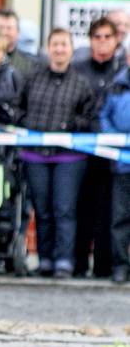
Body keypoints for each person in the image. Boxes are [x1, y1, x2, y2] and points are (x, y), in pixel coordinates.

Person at [15, 28, 94, 279]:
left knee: (65, 209)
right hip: (35, 155)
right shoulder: (33, 78)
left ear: (71, 49)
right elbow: (17, 109)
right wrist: (32, 124)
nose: (59, 49)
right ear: (48, 48)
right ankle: (45, 259)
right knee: (42, 210)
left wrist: (69, 126)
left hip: (70, 157)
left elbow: (89, 116)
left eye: (64, 45)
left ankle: (64, 261)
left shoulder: (81, 83)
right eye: (55, 44)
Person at [73, 17, 124, 278]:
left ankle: (104, 266)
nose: (102, 42)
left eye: (107, 37)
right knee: (81, 207)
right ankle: (78, 264)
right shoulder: (79, 69)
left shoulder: (121, 71)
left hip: (113, 152)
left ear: (117, 40)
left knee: (109, 210)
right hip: (81, 149)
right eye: (97, 37)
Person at [100, 41, 130, 284]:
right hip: (121, 163)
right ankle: (120, 266)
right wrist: (117, 140)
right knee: (119, 219)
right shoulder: (116, 85)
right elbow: (104, 116)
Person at [0, 8, 37, 78]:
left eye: (9, 28)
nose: (4, 32)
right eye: (0, 28)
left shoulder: (28, 65)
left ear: (18, 32)